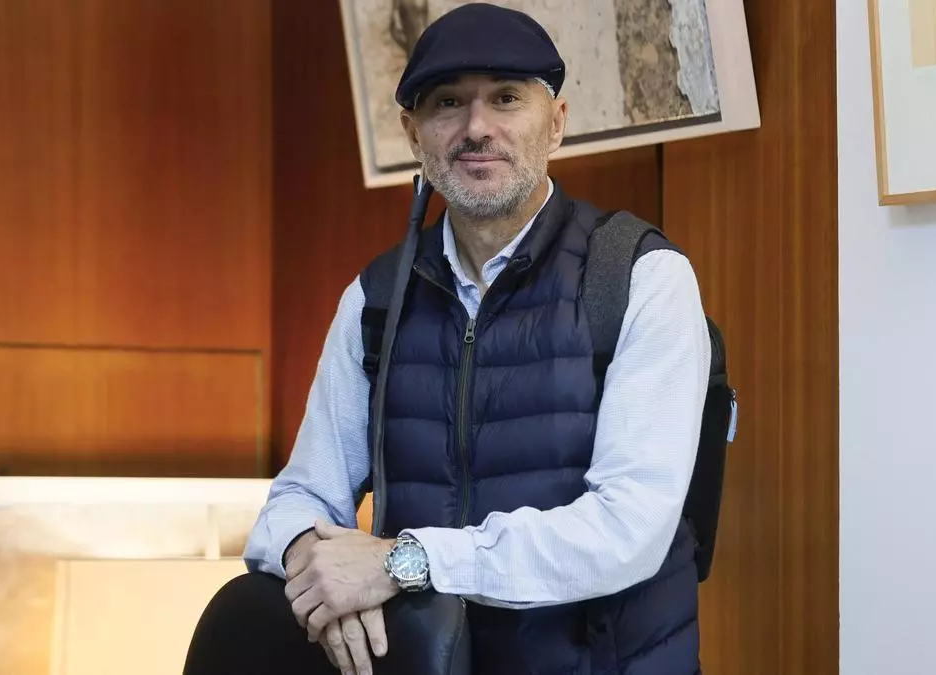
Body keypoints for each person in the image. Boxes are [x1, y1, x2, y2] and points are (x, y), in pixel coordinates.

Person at [183, 4, 710, 674]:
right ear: (413, 133)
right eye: (448, 103)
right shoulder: (377, 298)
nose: (476, 128)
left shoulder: (640, 278)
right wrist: (314, 562)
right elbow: (296, 501)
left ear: (556, 122)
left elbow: (629, 528)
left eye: (507, 98)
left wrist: (405, 561)